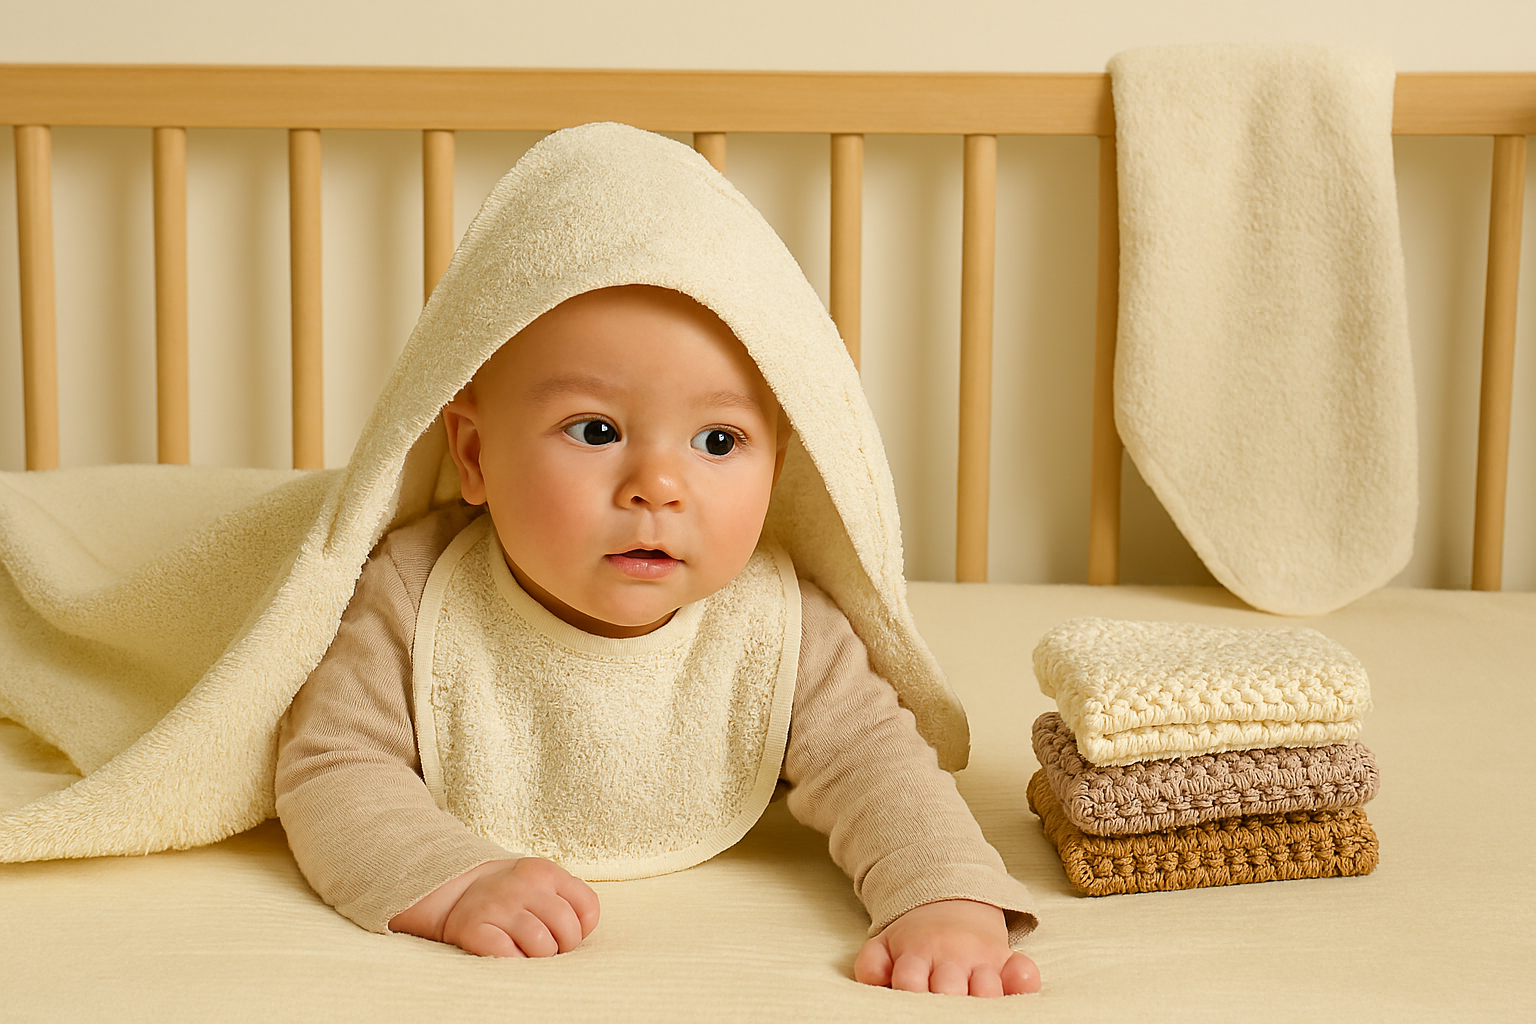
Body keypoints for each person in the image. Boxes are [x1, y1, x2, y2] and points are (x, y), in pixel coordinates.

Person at [275, 124, 1040, 998]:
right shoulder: (416, 594)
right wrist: (448, 880)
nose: (658, 486)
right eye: (596, 431)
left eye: (719, 440)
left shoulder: (776, 624)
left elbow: (877, 764)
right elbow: (333, 763)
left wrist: (939, 895)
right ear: (476, 456)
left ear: (779, 468)